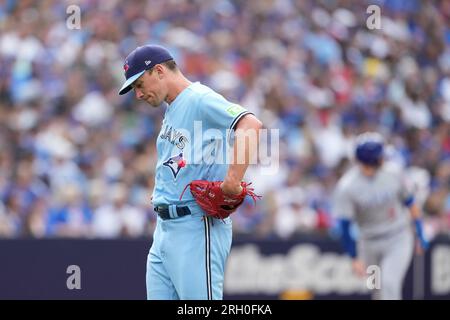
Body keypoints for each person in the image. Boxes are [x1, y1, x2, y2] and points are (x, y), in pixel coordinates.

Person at [118, 45, 262, 300]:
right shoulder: (173, 107)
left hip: (195, 226)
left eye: (140, 84)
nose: (138, 94)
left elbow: (250, 124)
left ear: (159, 71)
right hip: (164, 229)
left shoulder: (198, 98)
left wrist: (233, 180)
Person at [333, 132, 428, 300]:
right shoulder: (347, 186)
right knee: (376, 290)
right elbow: (344, 225)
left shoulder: (393, 173)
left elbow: (411, 203)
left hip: (397, 237)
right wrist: (354, 257)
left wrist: (420, 232)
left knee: (389, 284)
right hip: (368, 243)